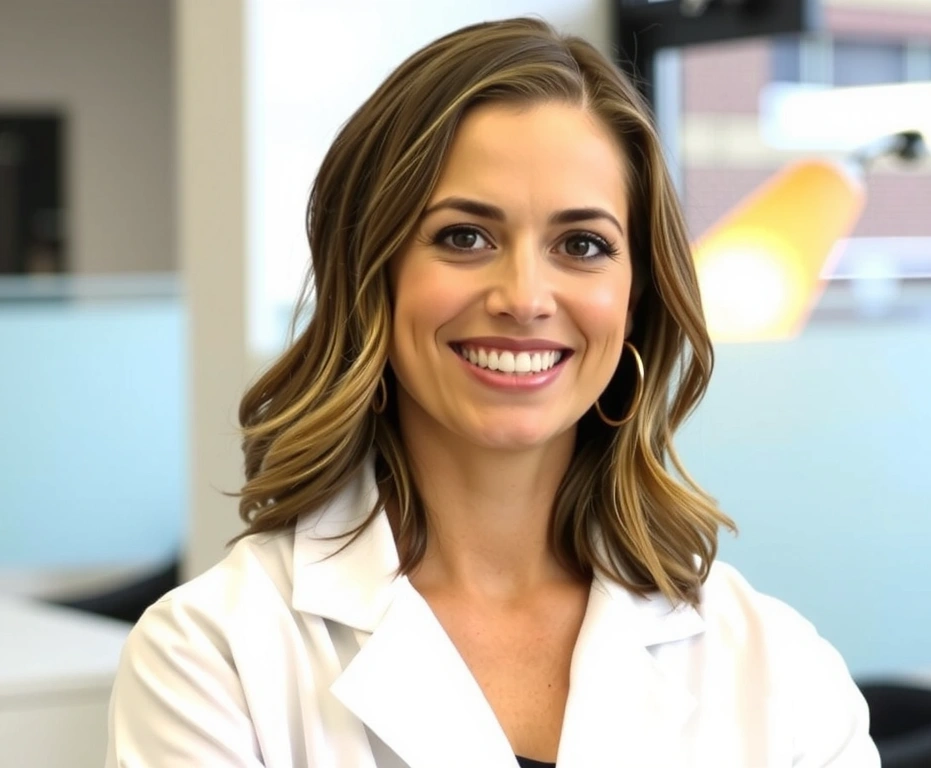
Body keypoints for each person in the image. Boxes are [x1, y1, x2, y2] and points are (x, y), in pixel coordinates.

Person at [106, 17, 879, 768]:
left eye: (582, 245)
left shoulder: (779, 668)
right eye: (464, 237)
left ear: (636, 301)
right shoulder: (212, 656)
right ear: (374, 277)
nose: (524, 296)